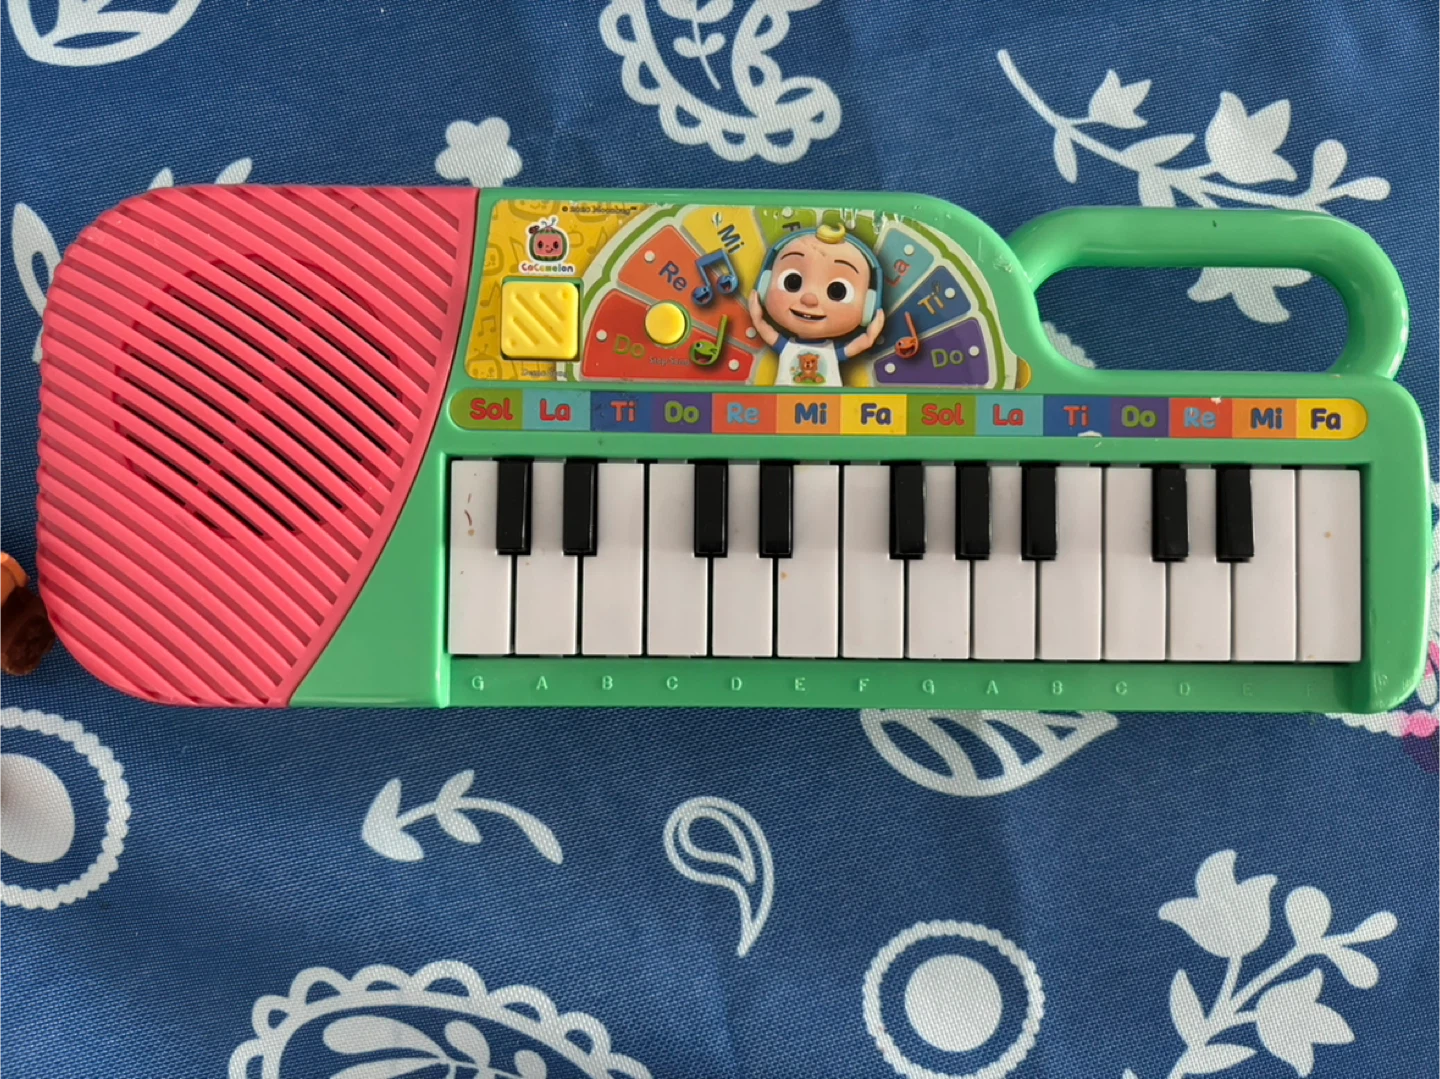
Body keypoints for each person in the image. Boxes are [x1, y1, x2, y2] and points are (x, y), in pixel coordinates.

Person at [747, 223, 885, 387]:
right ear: (765, 285)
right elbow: (764, 329)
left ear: (868, 304)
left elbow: (861, 344)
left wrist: (871, 335)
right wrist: (757, 317)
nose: (809, 299)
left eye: (837, 291)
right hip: (784, 399)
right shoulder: (787, 346)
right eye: (792, 282)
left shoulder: (831, 352)